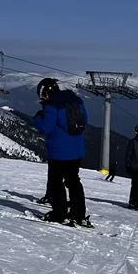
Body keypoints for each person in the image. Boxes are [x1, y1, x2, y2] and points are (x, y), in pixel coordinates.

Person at [32, 78, 89, 226]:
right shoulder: (77, 101)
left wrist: (38, 118)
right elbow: (85, 121)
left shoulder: (51, 106)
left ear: (44, 93)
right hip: (76, 151)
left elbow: (46, 128)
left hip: (58, 152)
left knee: (56, 182)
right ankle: (78, 214)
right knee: (73, 181)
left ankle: (59, 213)